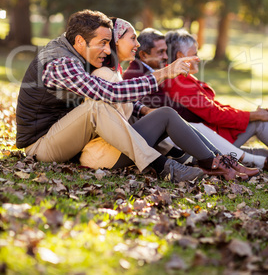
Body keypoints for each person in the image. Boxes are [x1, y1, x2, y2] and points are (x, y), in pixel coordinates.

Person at [16, 9, 205, 184]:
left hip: (63, 134)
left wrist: (142, 109)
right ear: (81, 40)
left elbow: (107, 90)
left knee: (102, 105)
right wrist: (164, 73)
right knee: (96, 107)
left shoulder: (76, 52)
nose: (108, 50)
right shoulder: (61, 62)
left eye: (109, 43)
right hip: (41, 146)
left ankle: (185, 156)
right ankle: (161, 166)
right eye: (103, 43)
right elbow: (110, 92)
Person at [80, 17, 259, 180]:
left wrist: (145, 111)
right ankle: (218, 163)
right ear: (117, 41)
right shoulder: (105, 74)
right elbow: (115, 116)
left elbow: (124, 104)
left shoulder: (114, 73)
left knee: (166, 115)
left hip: (120, 148)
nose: (137, 44)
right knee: (166, 114)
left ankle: (221, 162)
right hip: (107, 154)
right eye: (133, 38)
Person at [123, 28, 268, 170]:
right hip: (195, 135)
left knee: (256, 143)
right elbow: (210, 114)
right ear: (143, 55)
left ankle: (255, 160)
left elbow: (212, 107)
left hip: (202, 133)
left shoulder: (161, 73)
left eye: (166, 51)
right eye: (161, 52)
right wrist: (254, 115)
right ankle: (255, 161)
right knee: (257, 128)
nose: (166, 57)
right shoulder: (165, 78)